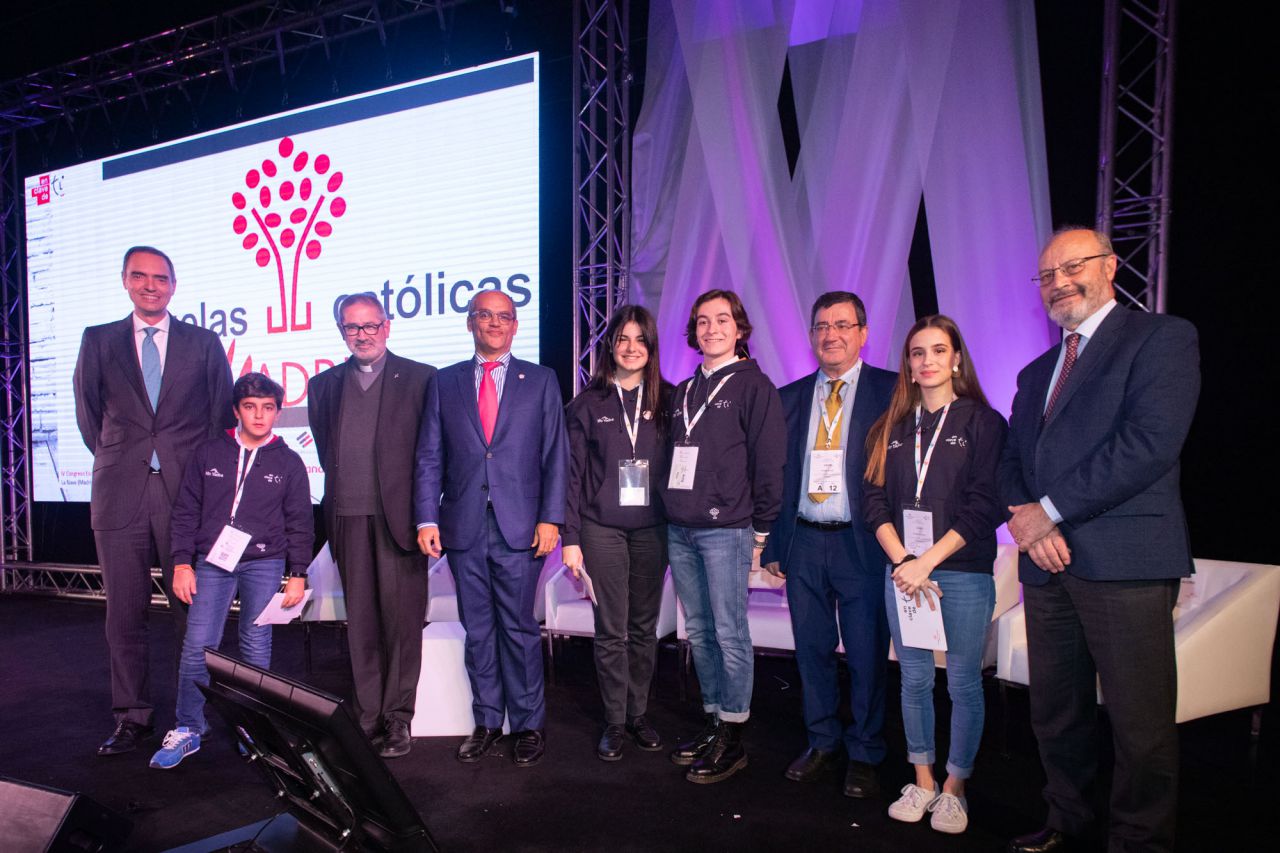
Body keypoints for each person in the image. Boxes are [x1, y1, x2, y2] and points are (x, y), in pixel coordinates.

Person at [1000, 227, 1199, 853]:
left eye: (1073, 267)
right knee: (1056, 711)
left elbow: (1148, 444)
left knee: (1140, 724)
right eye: (1047, 275)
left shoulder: (1161, 338)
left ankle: (1139, 840)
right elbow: (1012, 461)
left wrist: (1049, 513)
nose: (1059, 283)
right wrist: (1028, 522)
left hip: (1125, 563)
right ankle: (1067, 820)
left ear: (1111, 267)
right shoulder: (1036, 371)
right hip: (1047, 565)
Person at [74, 246, 234, 757]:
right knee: (124, 613)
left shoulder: (203, 343)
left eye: (160, 278)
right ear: (124, 280)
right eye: (140, 276)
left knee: (193, 615)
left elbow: (220, 417)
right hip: (119, 493)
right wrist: (124, 459)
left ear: (173, 285)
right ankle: (132, 717)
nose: (150, 286)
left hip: (187, 496)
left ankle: (193, 715)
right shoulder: (98, 340)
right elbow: (89, 416)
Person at [863, 314, 1007, 835]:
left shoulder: (984, 423)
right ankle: (922, 779)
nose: (927, 361)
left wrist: (926, 562)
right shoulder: (891, 427)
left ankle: (954, 787)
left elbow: (985, 505)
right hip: (903, 573)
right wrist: (905, 561)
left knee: (964, 682)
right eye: (918, 352)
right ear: (908, 363)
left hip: (961, 573)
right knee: (915, 679)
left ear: (957, 360)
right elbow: (873, 500)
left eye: (939, 351)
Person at [414, 289, 568, 768]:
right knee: (478, 629)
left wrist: (551, 517)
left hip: (520, 526)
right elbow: (429, 455)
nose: (495, 323)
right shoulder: (444, 382)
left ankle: (527, 725)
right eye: (485, 315)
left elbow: (555, 454)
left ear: (515, 325)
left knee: (518, 628)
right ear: (470, 322)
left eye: (504, 316)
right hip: (462, 527)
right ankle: (486, 722)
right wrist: (427, 517)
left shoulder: (540, 380)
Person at [761, 291, 895, 798]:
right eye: (821, 326)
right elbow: (778, 476)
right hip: (804, 542)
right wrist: (774, 544)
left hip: (862, 545)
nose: (830, 335)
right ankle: (822, 741)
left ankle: (865, 751)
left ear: (863, 333)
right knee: (811, 651)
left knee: (865, 655)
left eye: (842, 325)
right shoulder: (790, 397)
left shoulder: (892, 391)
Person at [149, 373, 312, 769]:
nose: (259, 415)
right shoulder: (208, 452)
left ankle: (252, 728)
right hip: (211, 560)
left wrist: (298, 573)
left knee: (255, 645)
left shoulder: (289, 461)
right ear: (237, 410)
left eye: (268, 408)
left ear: (277, 412)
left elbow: (300, 521)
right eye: (250, 407)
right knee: (198, 644)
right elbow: (185, 511)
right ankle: (189, 727)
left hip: (265, 561)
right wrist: (182, 562)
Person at [664, 289, 785, 784]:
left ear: (739, 328)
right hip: (680, 528)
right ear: (694, 331)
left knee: (729, 633)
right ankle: (715, 722)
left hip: (728, 530)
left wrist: (761, 531)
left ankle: (734, 738)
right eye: (702, 321)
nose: (711, 329)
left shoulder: (756, 386)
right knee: (699, 631)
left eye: (721, 320)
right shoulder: (683, 390)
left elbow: (769, 463)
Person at [307, 294, 436, 758]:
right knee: (360, 622)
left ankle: (398, 719)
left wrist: (427, 514)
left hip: (400, 521)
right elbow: (326, 450)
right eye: (351, 327)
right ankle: (367, 716)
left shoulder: (422, 379)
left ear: (387, 326)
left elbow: (431, 453)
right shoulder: (323, 386)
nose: (361, 335)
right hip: (346, 517)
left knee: (400, 623)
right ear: (342, 331)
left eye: (370, 325)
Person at [562, 305, 672, 761]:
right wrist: (570, 539)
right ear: (610, 346)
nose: (631, 348)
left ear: (651, 347)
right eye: (623, 339)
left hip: (654, 530)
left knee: (643, 627)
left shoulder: (671, 401)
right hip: (600, 529)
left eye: (640, 339)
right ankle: (613, 720)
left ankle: (637, 714)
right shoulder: (587, 404)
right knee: (611, 628)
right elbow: (570, 477)